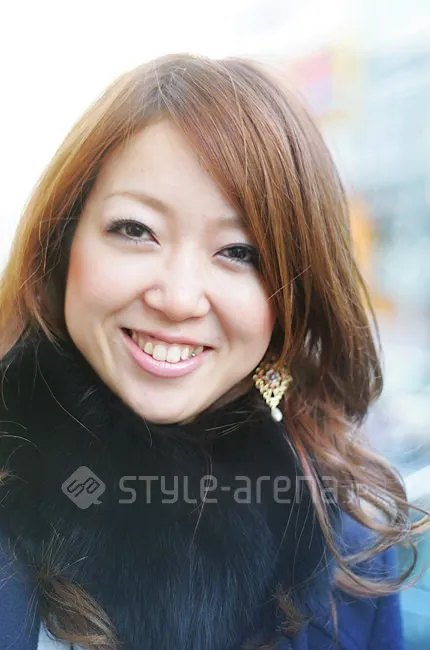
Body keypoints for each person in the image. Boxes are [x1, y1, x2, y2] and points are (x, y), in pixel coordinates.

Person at [0, 53, 427, 650]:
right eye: (136, 230)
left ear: (296, 296)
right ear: (63, 241)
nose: (178, 298)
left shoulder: (348, 553)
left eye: (239, 252)